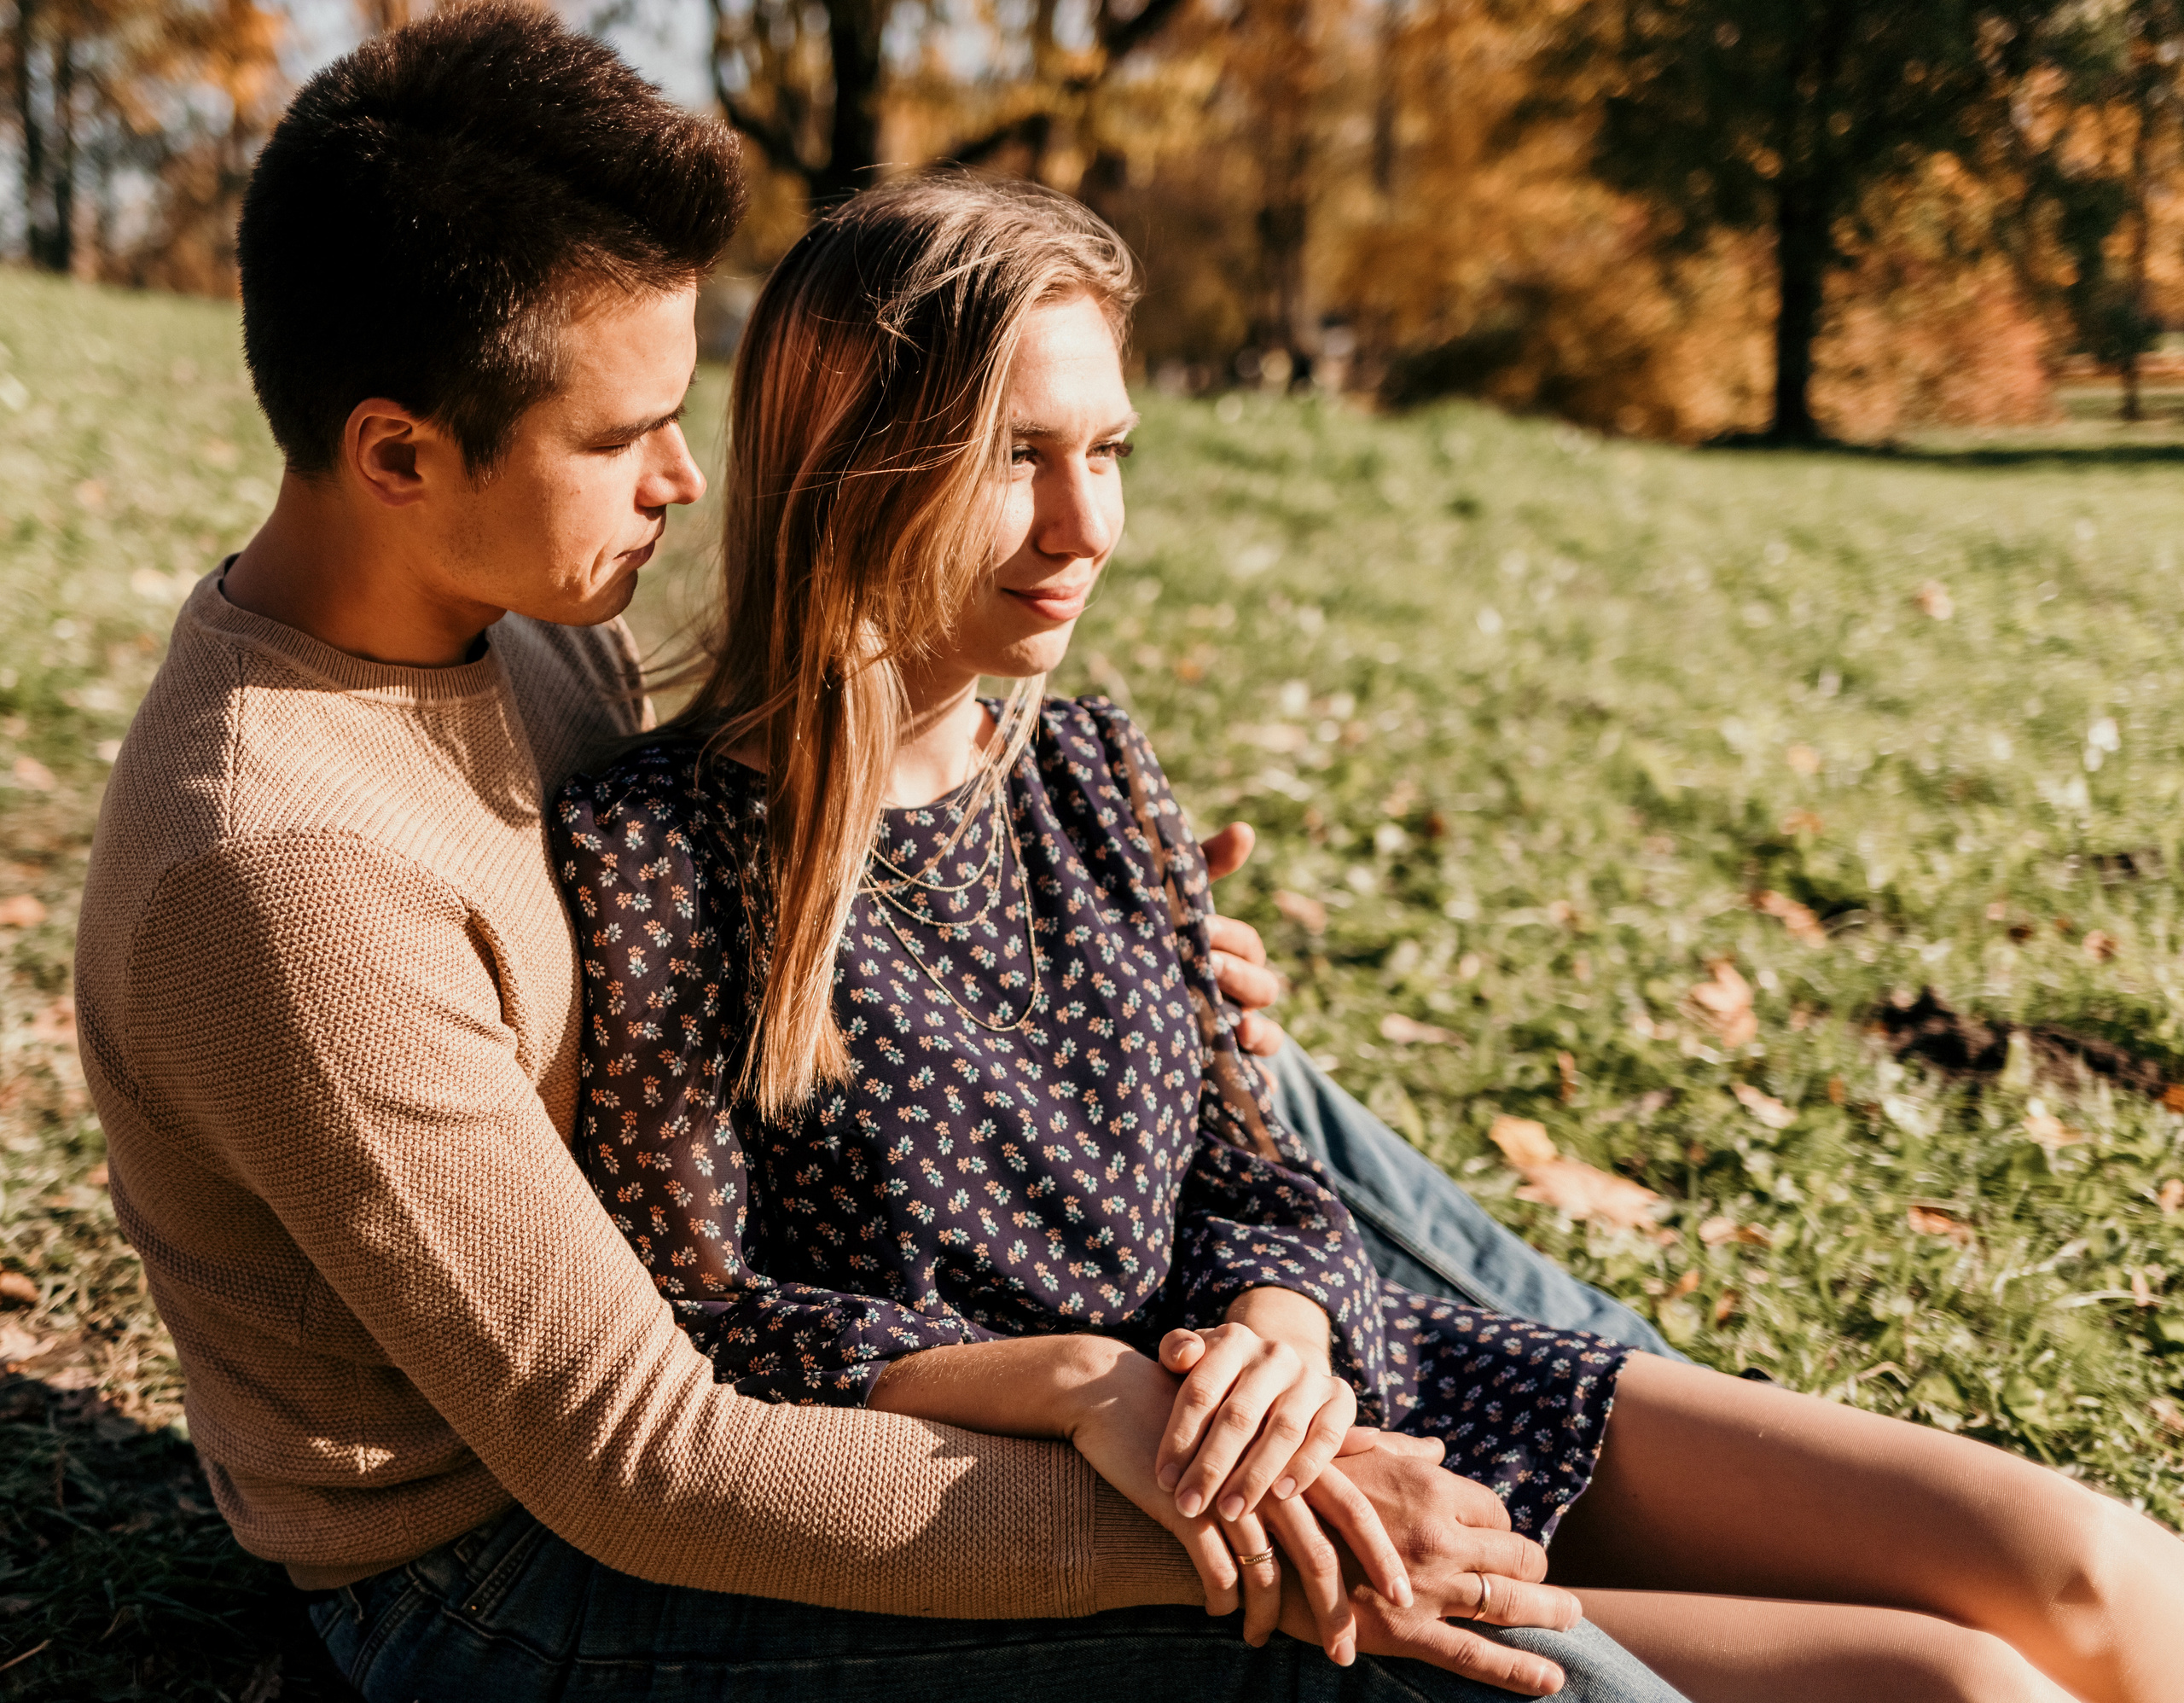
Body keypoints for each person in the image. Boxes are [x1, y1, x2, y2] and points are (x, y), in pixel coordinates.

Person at [72, 6, 1687, 1699]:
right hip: (504, 1571)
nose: (687, 481)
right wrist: (1264, 1513)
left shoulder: (509, 621)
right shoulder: (277, 866)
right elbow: (636, 1451)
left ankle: (1632, 1411)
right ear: (397, 452)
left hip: (718, 1394)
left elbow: (730, 912)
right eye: (619, 438)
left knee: (1268, 1107)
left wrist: (1118, 983)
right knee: (1461, 1662)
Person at [554, 170, 2184, 1703]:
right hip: (1178, 1509)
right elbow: (711, 1321)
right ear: (853, 457)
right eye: (1016, 458)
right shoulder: (661, 851)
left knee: (2089, 1572)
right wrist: (1098, 1390)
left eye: (1107, 452)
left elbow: (1259, 1175)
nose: (1086, 527)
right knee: (1954, 1686)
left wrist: (1280, 1328)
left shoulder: (1090, 765)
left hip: (1360, 1369)